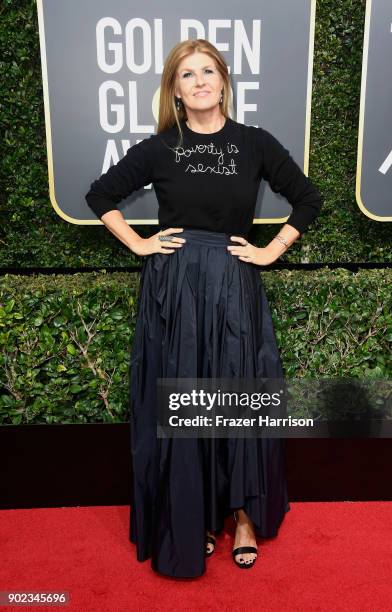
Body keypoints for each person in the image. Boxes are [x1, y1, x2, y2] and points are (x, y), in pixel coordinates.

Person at [85, 38, 323, 578]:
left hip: (234, 282)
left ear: (223, 81)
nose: (199, 81)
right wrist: (140, 244)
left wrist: (270, 250)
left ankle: (241, 517)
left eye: (208, 71)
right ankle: (191, 516)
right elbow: (101, 196)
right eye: (187, 74)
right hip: (176, 289)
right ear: (174, 88)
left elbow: (308, 197)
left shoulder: (254, 143)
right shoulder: (160, 148)